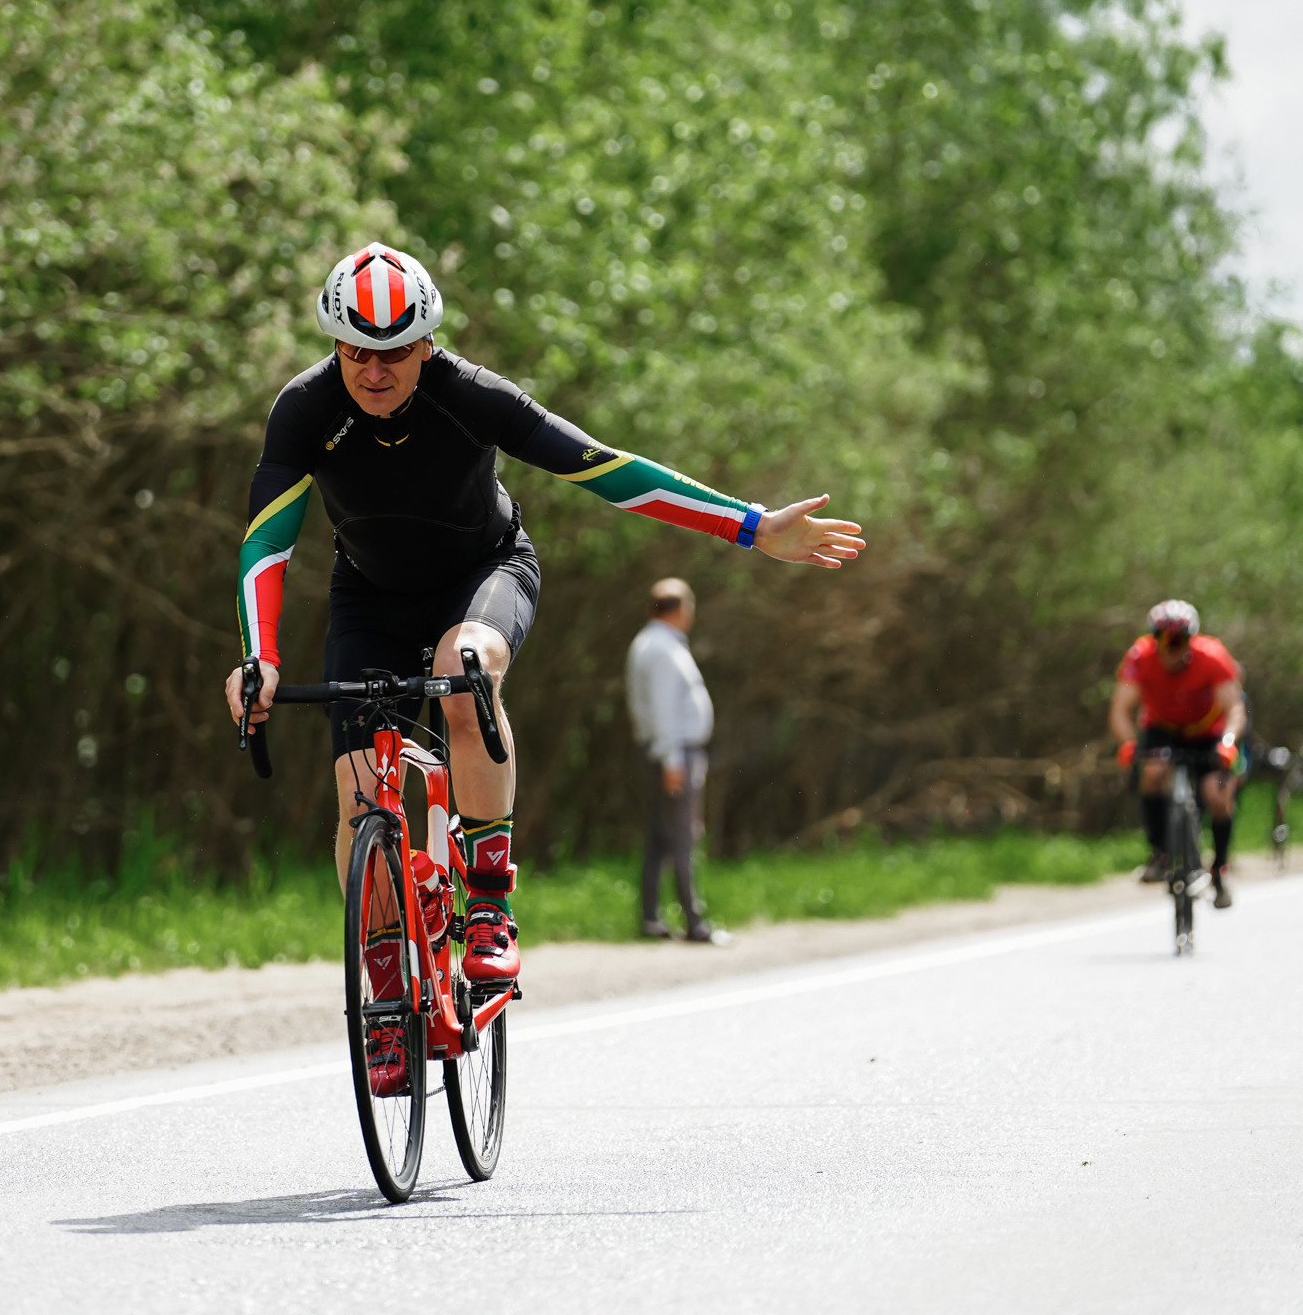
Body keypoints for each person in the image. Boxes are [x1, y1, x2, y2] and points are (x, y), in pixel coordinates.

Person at [225, 245, 863, 1092]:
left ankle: (488, 893)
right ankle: (384, 984)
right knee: (356, 786)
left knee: (465, 670)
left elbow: (604, 469)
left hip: (483, 572)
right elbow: (267, 539)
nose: (374, 371)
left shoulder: (471, 393)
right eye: (355, 353)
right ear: (335, 346)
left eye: (394, 352)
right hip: (368, 597)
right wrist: (259, 661)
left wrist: (749, 527)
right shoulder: (303, 408)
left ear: (426, 345)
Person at [1108, 600, 1248, 906]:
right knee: (1154, 772)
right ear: (1153, 639)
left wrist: (1228, 742)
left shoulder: (1212, 656)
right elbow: (1120, 709)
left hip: (1207, 731)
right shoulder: (1140, 658)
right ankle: (1160, 852)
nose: (1171, 647)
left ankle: (1219, 868)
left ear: (1191, 639)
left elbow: (1235, 707)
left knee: (1217, 793)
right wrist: (1129, 743)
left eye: (1179, 639)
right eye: (1164, 639)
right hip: (1164, 729)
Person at [628, 578, 720, 943]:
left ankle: (651, 918)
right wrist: (672, 761)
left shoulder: (649, 642)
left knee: (660, 837)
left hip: (666, 751)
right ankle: (694, 922)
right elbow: (664, 711)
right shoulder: (663, 648)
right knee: (683, 836)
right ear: (680, 609)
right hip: (675, 752)